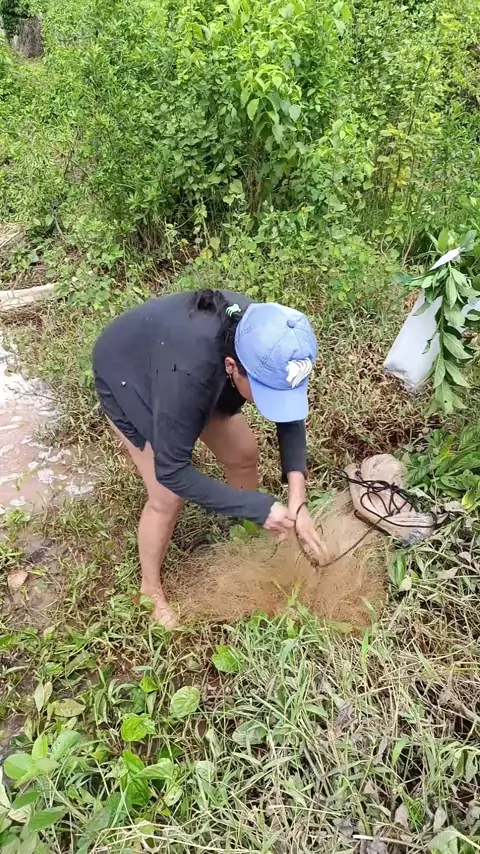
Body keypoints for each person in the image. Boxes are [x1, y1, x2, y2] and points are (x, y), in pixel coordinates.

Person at [92, 288, 325, 627]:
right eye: (265, 391)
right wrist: (260, 507)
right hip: (129, 372)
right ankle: (149, 591)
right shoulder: (187, 375)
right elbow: (172, 470)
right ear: (233, 367)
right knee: (166, 495)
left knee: (243, 454)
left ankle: (247, 541)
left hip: (194, 367)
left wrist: (298, 500)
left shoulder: (271, 335)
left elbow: (289, 418)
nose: (272, 402)